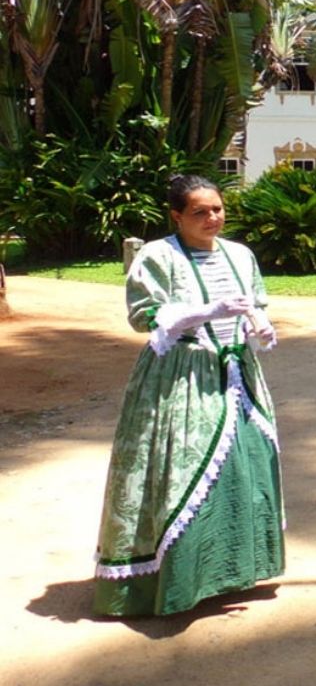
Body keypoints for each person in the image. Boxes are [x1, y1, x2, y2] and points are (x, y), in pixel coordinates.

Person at [93, 174, 284, 617]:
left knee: (245, 465)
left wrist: (259, 329)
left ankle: (232, 572)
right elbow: (145, 317)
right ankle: (175, 580)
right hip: (179, 377)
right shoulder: (157, 256)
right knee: (181, 471)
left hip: (237, 376)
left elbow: (255, 304)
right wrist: (205, 312)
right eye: (199, 212)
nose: (212, 218)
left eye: (217, 209)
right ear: (176, 216)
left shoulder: (240, 255)